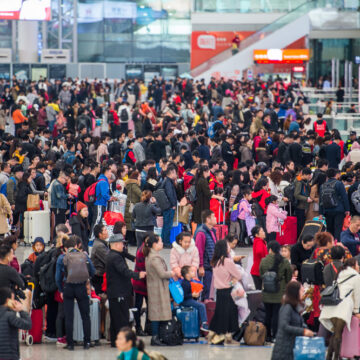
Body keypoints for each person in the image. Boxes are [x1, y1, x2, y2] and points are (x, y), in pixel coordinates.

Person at [106, 233, 146, 348]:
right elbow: (124, 271)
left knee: (115, 320)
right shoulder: (115, 258)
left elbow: (125, 255)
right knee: (121, 319)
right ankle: (123, 342)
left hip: (115, 292)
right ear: (117, 244)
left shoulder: (113, 254)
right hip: (119, 293)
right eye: (122, 244)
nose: (124, 246)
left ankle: (115, 341)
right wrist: (138, 275)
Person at [55, 235, 95, 351]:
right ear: (77, 245)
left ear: (67, 247)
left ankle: (71, 344)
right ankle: (87, 341)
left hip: (68, 288)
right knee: (85, 316)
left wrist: (61, 289)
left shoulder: (62, 257)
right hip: (81, 287)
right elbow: (92, 271)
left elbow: (57, 277)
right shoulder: (84, 256)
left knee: (69, 317)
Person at [320, 258, 360, 360]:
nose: (358, 266)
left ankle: (329, 357)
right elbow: (357, 295)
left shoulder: (340, 274)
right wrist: (356, 311)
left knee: (336, 333)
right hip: (343, 308)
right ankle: (336, 357)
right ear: (353, 266)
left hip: (331, 307)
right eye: (357, 265)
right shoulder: (356, 277)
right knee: (338, 335)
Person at [208, 239, 241, 345]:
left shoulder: (215, 261)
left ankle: (211, 334)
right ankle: (229, 338)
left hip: (219, 292)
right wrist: (232, 282)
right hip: (228, 291)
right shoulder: (227, 261)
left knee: (220, 313)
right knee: (231, 314)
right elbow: (238, 275)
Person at [143, 233, 174, 346]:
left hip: (155, 286)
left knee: (157, 311)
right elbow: (162, 273)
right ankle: (155, 338)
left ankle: (158, 337)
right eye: (160, 241)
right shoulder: (154, 258)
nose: (162, 243)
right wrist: (172, 273)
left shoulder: (151, 255)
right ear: (155, 244)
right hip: (157, 288)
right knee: (156, 312)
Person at [271, 281, 314, 360]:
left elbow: (299, 323)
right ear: (295, 292)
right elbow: (284, 325)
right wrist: (303, 331)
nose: (303, 291)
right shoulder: (287, 307)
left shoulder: (296, 308)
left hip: (292, 348)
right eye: (301, 290)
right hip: (283, 350)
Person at [260, 241, 292, 343]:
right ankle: (275, 335)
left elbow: (261, 275)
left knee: (267, 314)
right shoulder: (284, 261)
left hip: (266, 292)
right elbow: (289, 276)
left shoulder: (264, 261)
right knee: (276, 314)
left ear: (269, 249)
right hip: (279, 292)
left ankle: (267, 335)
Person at [0, 287, 32, 360]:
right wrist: (21, 311)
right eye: (13, 299)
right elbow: (27, 325)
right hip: (9, 355)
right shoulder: (9, 316)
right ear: (8, 300)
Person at [320, 168, 350, 242]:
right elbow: (344, 197)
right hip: (338, 210)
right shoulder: (339, 184)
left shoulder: (322, 185)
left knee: (329, 229)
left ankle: (330, 244)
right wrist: (347, 209)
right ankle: (337, 245)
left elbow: (321, 200)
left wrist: (320, 213)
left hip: (327, 210)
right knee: (338, 229)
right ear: (336, 175)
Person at [195, 210, 218, 300]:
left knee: (208, 291)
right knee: (202, 291)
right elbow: (199, 251)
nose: (216, 218)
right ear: (208, 219)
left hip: (210, 265)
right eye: (214, 216)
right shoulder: (201, 232)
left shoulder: (212, 231)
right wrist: (200, 266)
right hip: (204, 266)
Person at [180, 265, 209, 331]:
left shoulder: (190, 282)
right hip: (185, 301)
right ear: (187, 275)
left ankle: (199, 325)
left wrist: (196, 295)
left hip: (189, 300)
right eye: (192, 271)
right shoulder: (185, 283)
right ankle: (204, 324)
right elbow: (184, 296)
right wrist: (192, 295)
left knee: (199, 305)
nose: (194, 272)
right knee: (202, 306)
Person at [161, 165, 178, 248]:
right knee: (168, 224)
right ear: (172, 173)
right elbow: (170, 194)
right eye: (175, 173)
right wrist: (173, 204)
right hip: (169, 207)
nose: (176, 175)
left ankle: (164, 241)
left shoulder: (166, 181)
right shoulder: (168, 182)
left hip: (166, 206)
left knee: (166, 224)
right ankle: (166, 242)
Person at [90, 224, 109, 294]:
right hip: (99, 276)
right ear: (100, 234)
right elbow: (108, 259)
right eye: (105, 230)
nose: (107, 232)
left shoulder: (101, 243)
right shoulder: (99, 246)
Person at [294, 167, 312, 237]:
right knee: (300, 225)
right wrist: (306, 199)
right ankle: (300, 239)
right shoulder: (299, 182)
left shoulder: (304, 181)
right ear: (304, 174)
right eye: (308, 175)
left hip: (302, 206)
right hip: (300, 206)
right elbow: (296, 194)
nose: (309, 176)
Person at [250, 225, 268, 290]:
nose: (264, 232)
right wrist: (265, 258)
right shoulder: (259, 241)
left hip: (257, 270)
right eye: (262, 231)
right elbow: (259, 251)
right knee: (259, 291)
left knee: (259, 290)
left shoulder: (258, 241)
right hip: (257, 271)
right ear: (257, 235)